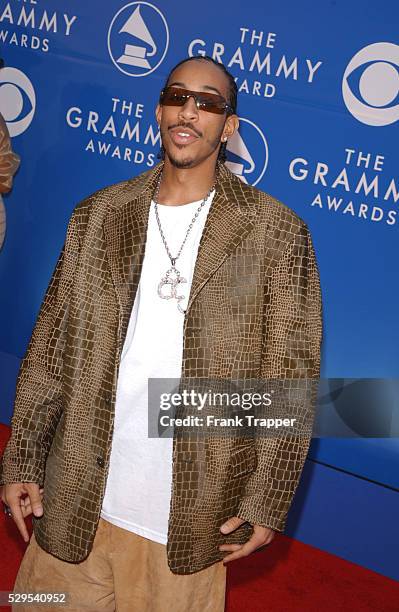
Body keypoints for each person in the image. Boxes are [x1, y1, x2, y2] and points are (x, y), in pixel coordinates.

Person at [0, 56, 323, 611]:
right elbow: (49, 348)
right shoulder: (98, 215)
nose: (189, 112)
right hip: (75, 498)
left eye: (209, 102)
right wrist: (24, 458)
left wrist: (267, 500)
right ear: (158, 110)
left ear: (230, 126)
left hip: (189, 523)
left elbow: (289, 380)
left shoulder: (276, 233)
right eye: (178, 97)